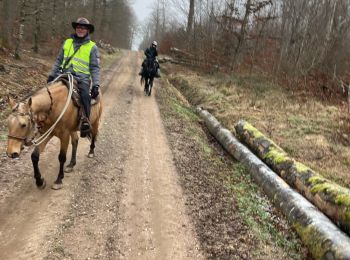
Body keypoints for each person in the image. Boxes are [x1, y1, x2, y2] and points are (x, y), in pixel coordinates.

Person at [47, 17, 100, 137]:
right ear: (76, 29)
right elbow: (58, 60)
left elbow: (95, 68)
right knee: (48, 92)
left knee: (85, 95)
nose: (80, 29)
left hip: (82, 79)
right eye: (78, 27)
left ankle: (85, 121)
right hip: (63, 75)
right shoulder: (67, 42)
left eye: (83, 28)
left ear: (87, 31)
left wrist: (96, 84)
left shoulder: (93, 47)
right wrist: (51, 75)